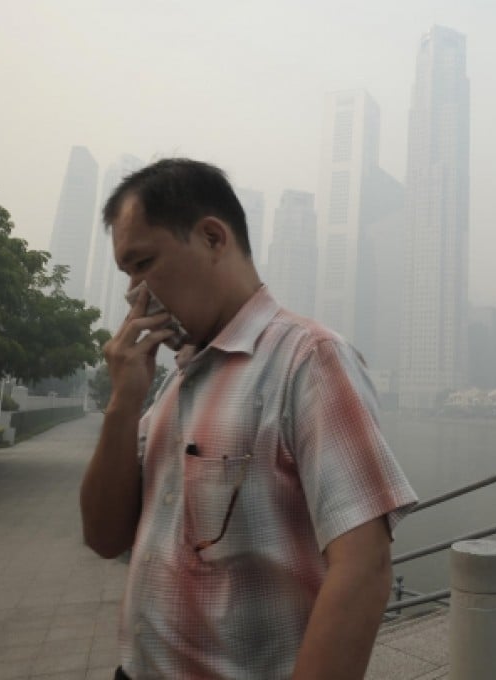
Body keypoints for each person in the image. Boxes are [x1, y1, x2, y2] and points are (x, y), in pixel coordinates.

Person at [79, 159, 417, 679]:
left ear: (213, 238)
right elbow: (104, 537)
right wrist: (124, 403)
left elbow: (364, 567)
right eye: (127, 275)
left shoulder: (308, 360)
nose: (135, 295)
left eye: (143, 263)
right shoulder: (172, 382)